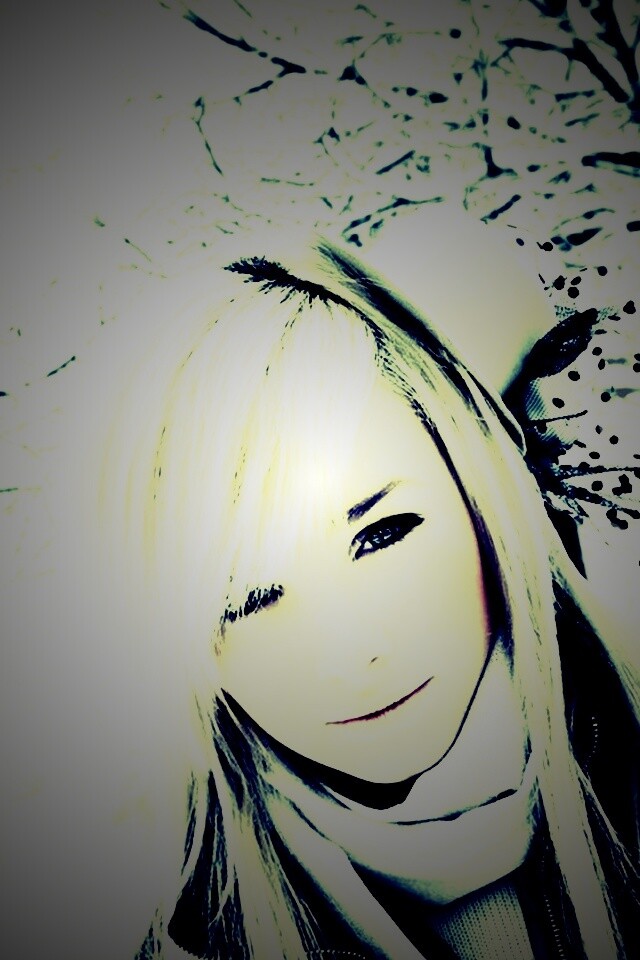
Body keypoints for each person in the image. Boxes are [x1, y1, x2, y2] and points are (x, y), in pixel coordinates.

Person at [18, 230, 635, 959]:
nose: (350, 653)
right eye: (246, 598)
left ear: (476, 491)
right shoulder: (161, 918)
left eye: (381, 534)